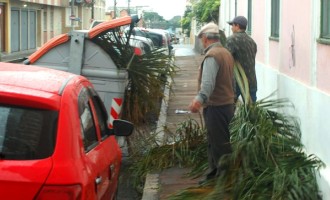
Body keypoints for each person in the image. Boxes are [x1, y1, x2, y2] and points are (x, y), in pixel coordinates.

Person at [188, 22, 235, 184]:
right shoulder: (226, 53)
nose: (201, 41)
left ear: (206, 38)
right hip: (227, 105)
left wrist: (198, 100)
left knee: (219, 144)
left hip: (216, 107)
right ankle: (214, 174)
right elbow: (232, 80)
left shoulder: (212, 56)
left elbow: (208, 84)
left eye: (202, 39)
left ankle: (224, 181)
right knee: (215, 141)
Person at [226, 16, 258, 103]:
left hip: (236, 82)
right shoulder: (252, 41)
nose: (232, 28)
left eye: (232, 25)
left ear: (237, 26)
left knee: (229, 108)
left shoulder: (231, 40)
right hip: (251, 80)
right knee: (251, 111)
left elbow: (226, 59)